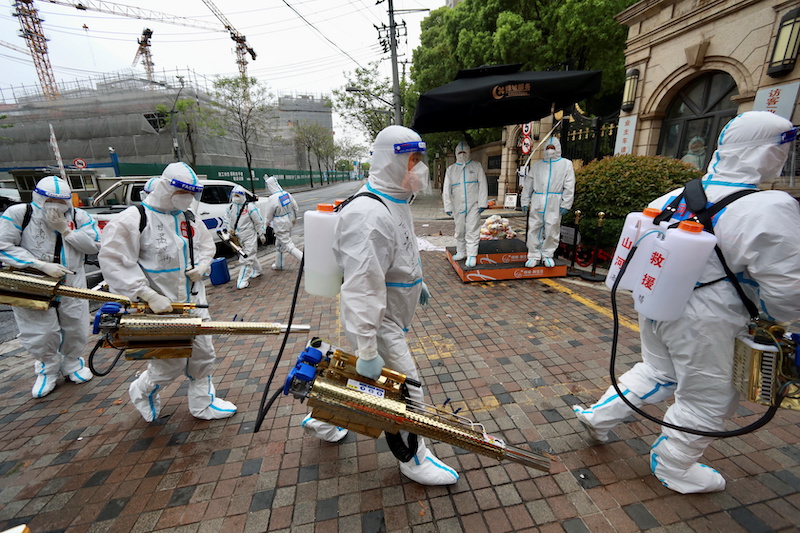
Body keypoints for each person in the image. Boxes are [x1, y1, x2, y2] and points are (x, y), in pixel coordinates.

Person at [572, 111, 800, 494]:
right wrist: (780, 324)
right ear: (766, 154)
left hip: (657, 303)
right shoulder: (767, 207)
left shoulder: (674, 196)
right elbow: (790, 287)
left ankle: (599, 416)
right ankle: (674, 465)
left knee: (658, 370)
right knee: (708, 398)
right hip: (711, 320)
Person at [302, 125, 458, 486]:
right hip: (379, 320)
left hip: (390, 310)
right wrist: (369, 347)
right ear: (392, 161)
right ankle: (414, 458)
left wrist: (417, 282)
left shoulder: (394, 198)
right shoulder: (369, 216)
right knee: (406, 388)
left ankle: (323, 420)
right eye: (412, 161)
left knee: (360, 381)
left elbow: (398, 251)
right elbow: (361, 289)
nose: (418, 168)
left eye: (420, 159)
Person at [98, 162, 237, 422]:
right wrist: (147, 294)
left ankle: (202, 404)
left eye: (190, 194)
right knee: (169, 363)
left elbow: (207, 247)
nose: (187, 199)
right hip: (159, 308)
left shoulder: (187, 218)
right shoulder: (134, 219)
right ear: (165, 188)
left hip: (194, 303)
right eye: (182, 193)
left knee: (203, 355)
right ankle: (142, 390)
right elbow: (114, 262)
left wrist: (203, 266)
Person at [0, 176, 100, 397]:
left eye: (62, 201)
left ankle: (73, 363)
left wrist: (66, 231)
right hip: (33, 281)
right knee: (40, 330)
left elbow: (94, 245)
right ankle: (47, 369)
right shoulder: (20, 214)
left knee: (75, 324)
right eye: (50, 200)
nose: (56, 206)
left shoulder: (78, 216)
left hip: (72, 280)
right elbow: (3, 245)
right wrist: (38, 264)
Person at [520, 137, 575, 268]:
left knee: (552, 227)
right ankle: (533, 255)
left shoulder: (566, 164)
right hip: (538, 199)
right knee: (534, 227)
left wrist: (566, 203)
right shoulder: (537, 165)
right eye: (548, 148)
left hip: (554, 200)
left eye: (553, 148)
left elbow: (569, 185)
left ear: (558, 149)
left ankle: (547, 254)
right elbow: (528, 184)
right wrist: (525, 200)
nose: (550, 150)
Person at [442, 141, 488, 268]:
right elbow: (446, 189)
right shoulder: (451, 170)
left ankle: (472, 254)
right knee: (460, 229)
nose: (462, 154)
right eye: (460, 152)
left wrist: (482, 203)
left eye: (465, 152)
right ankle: (461, 251)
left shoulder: (476, 166)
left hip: (474, 205)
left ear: (469, 152)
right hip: (458, 206)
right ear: (456, 153)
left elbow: (483, 184)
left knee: (472, 229)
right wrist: (448, 205)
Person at [225, 184, 266, 289]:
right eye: (234, 195)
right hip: (238, 238)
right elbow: (227, 220)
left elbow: (258, 221)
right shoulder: (230, 207)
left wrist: (261, 233)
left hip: (249, 236)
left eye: (238, 195)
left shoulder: (249, 207)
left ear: (243, 196)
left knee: (246, 258)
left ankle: (242, 281)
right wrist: (229, 231)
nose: (236, 197)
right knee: (248, 254)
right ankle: (257, 270)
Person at [263, 176, 302, 270]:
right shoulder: (286, 194)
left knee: (288, 245)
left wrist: (265, 225)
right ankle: (278, 264)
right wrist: (293, 218)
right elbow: (295, 207)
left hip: (280, 224)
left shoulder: (272, 198)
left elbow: (269, 215)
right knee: (279, 244)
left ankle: (305, 260)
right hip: (289, 221)